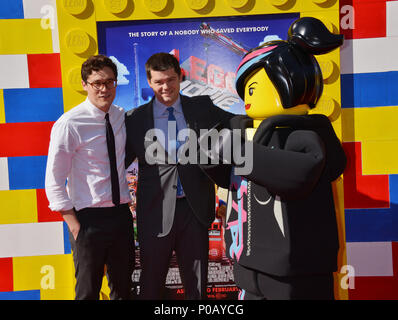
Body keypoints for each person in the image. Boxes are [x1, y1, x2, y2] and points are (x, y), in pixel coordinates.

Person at [203, 17, 347, 300]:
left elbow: (299, 175)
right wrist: (211, 152)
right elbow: (220, 172)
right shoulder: (241, 130)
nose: (246, 97)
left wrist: (239, 151)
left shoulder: (306, 134)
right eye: (245, 89)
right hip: (246, 263)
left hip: (295, 270)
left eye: (253, 88)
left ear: (288, 81)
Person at [125, 52, 234, 299]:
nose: (166, 87)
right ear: (150, 82)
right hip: (154, 212)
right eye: (159, 82)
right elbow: (117, 161)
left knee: (197, 286)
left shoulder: (202, 107)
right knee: (151, 283)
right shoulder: (135, 119)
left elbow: (237, 122)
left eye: (171, 80)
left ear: (180, 77)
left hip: (194, 210)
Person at [45, 54, 135, 300]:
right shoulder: (69, 124)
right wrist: (75, 227)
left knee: (124, 291)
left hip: (120, 216)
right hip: (87, 220)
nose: (104, 89)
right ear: (85, 85)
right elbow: (53, 182)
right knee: (87, 292)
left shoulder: (119, 116)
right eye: (97, 83)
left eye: (109, 82)